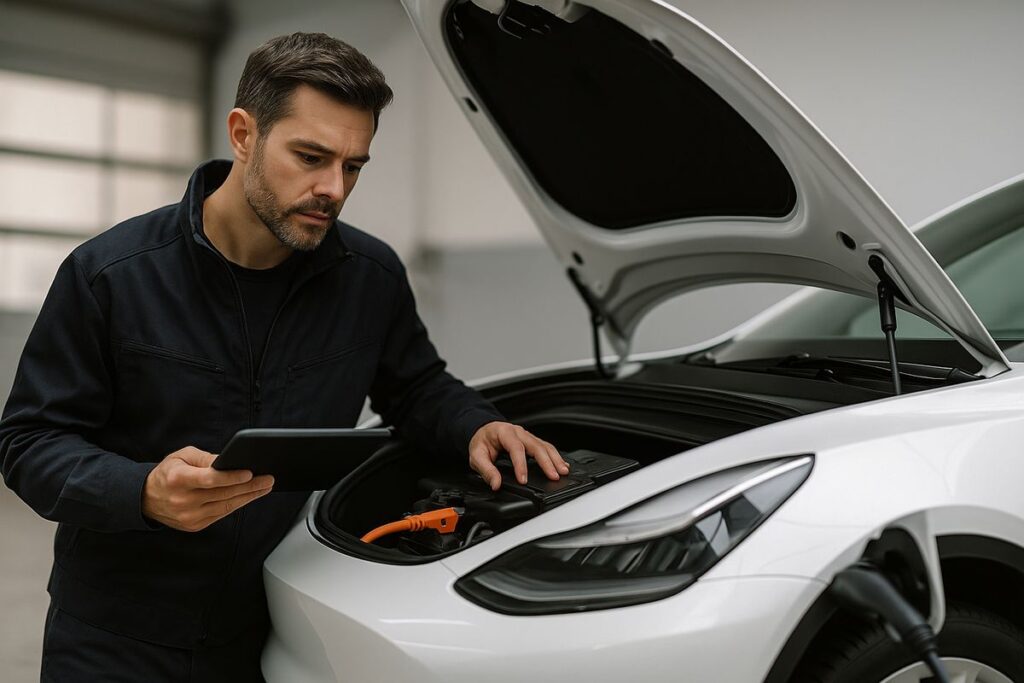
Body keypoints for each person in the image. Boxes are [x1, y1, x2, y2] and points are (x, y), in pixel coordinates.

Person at [0, 32, 568, 682]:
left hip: (272, 626)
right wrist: (144, 490)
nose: (333, 187)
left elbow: (416, 387)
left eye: (353, 166)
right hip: (116, 635)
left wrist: (475, 423)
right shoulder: (109, 276)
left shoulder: (371, 277)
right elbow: (28, 441)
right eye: (311, 156)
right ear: (243, 133)